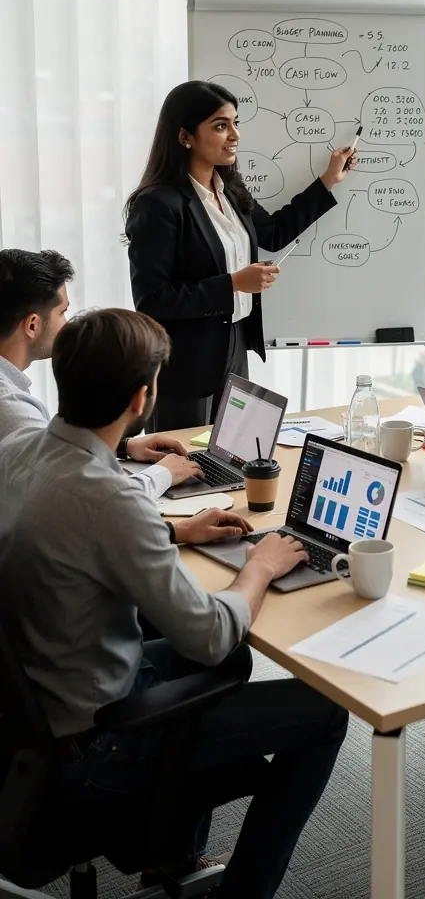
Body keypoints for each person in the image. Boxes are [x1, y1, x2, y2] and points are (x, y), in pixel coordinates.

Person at [0, 308, 347, 898]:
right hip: (98, 738)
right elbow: (212, 632)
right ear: (143, 398)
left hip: (38, 707)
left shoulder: (18, 452)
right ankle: (244, 892)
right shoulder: (110, 497)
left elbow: (77, 535)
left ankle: (175, 861)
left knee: (226, 669)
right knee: (322, 711)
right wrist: (260, 567)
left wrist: (177, 533)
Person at [125, 81, 354, 430]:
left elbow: (274, 233)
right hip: (187, 362)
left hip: (234, 345)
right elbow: (152, 300)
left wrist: (328, 181)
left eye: (236, 122)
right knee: (187, 464)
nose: (235, 135)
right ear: (186, 136)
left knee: (231, 454)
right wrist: (233, 283)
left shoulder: (229, 187)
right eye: (220, 125)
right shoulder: (158, 204)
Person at [0, 248, 198, 497]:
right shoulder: (9, 405)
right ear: (32, 325)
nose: (67, 323)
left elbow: (51, 449)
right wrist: (163, 474)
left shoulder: (9, 388)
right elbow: (79, 493)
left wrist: (122, 446)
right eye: (62, 312)